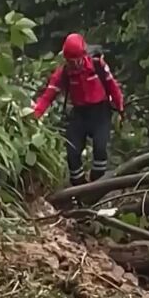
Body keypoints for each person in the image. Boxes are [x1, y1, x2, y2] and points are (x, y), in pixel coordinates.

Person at [29, 33, 125, 186]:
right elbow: (48, 95)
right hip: (80, 114)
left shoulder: (97, 66)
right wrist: (34, 115)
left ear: (83, 55)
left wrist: (120, 109)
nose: (74, 65)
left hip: (100, 112)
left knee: (100, 150)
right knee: (72, 154)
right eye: (70, 62)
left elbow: (112, 86)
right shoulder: (64, 73)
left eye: (76, 61)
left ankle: (97, 184)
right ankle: (79, 189)